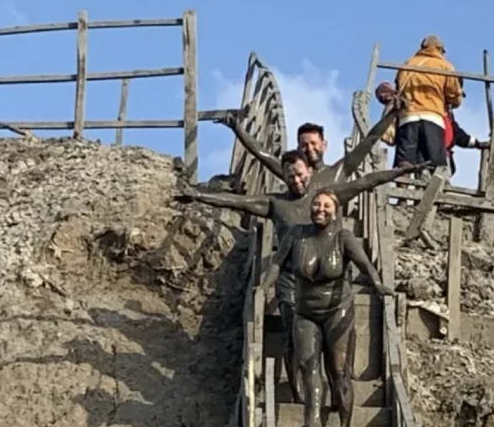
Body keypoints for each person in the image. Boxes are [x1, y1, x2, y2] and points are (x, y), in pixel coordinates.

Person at [176, 158, 425, 403]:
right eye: (290, 176)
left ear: (309, 171)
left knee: (334, 351)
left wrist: (401, 172)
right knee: (293, 339)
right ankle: (299, 393)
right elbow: (238, 202)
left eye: (300, 174)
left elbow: (366, 181)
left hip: (328, 284)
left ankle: (336, 389)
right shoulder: (277, 203)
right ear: (282, 176)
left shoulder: (327, 196)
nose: (296, 180)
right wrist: (199, 197)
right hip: (290, 281)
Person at [262, 188, 393, 427]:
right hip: (305, 312)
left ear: (335, 213)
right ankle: (311, 423)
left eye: (326, 207)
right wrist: (263, 288)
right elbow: (277, 264)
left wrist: (377, 284)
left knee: (339, 370)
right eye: (316, 205)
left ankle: (344, 426)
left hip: (337, 311)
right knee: (308, 364)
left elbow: (364, 264)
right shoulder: (296, 235)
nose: (320, 210)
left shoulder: (343, 237)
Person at [218, 106, 399, 187]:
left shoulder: (338, 172)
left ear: (324, 145)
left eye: (314, 144)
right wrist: (237, 128)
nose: (310, 148)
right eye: (304, 145)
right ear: (298, 147)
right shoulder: (294, 175)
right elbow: (260, 153)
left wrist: (391, 115)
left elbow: (369, 142)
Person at [393, 35, 464, 172]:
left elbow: (398, 86)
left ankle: (405, 183)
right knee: (434, 164)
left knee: (404, 164)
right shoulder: (445, 66)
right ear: (439, 49)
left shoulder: (408, 64)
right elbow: (454, 95)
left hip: (408, 116)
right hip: (433, 117)